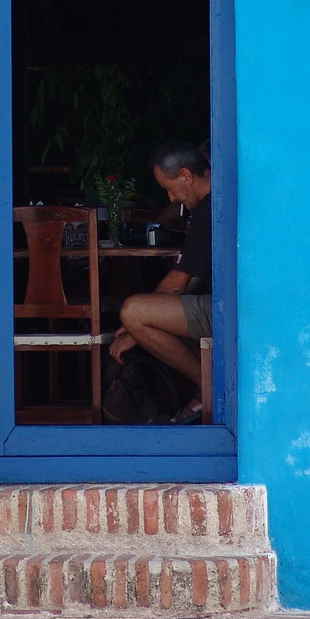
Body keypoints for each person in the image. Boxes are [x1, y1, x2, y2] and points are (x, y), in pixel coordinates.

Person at [108, 141, 212, 425]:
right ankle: (205, 385)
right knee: (150, 315)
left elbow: (175, 284)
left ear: (186, 175)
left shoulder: (210, 209)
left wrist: (135, 328)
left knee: (133, 311)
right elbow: (190, 279)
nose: (171, 197)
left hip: (228, 310)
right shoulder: (209, 205)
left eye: (170, 188)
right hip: (222, 305)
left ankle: (209, 386)